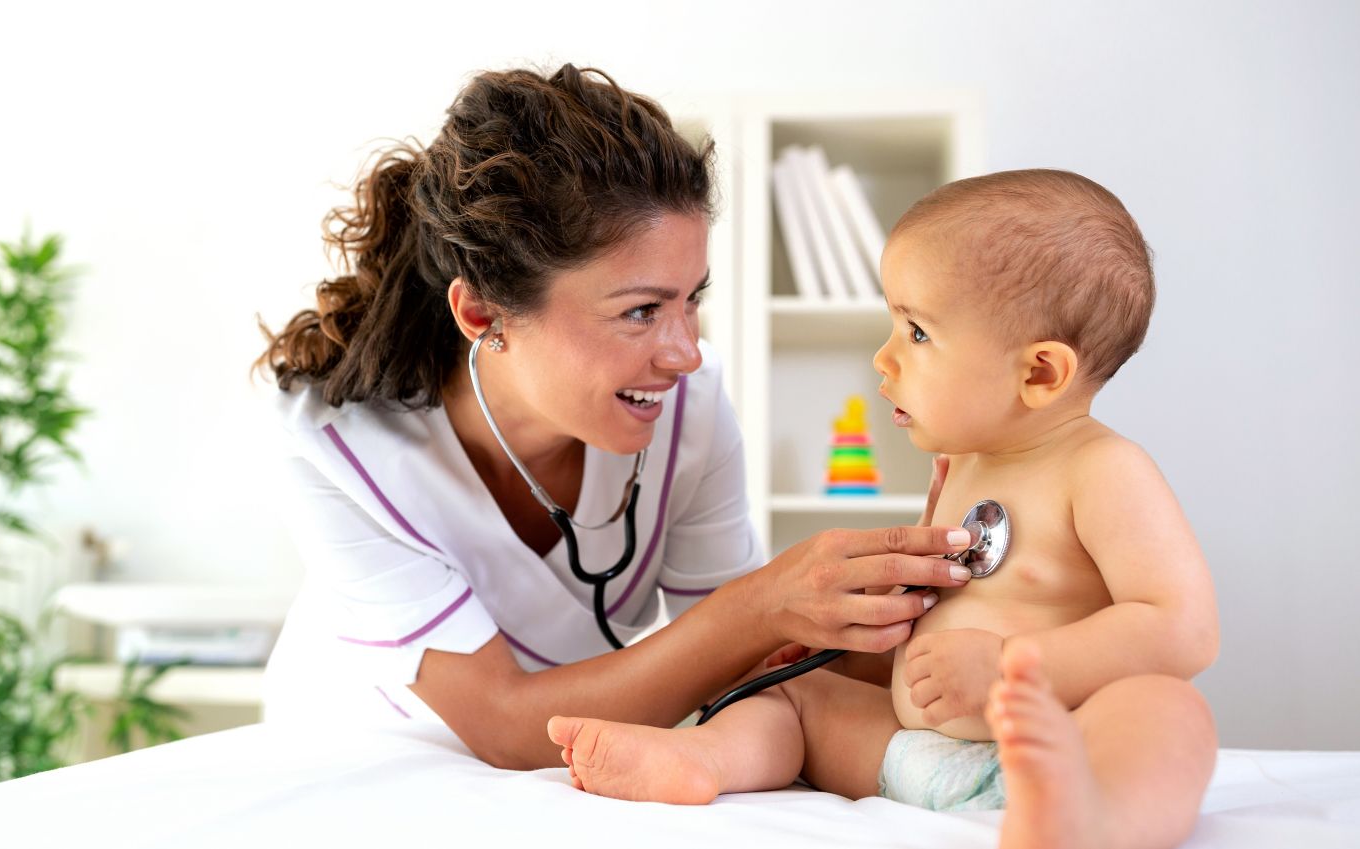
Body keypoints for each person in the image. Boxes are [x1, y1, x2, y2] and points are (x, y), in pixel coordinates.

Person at [254, 64, 977, 769]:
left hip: (570, 751)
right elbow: (505, 723)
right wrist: (762, 603)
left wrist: (898, 615)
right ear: (482, 312)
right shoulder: (336, 446)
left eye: (690, 298)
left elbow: (745, 667)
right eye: (641, 310)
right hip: (365, 754)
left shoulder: (688, 404)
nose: (686, 353)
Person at [547, 169, 1221, 849]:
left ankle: (1095, 822)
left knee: (1165, 709)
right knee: (781, 693)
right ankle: (699, 759)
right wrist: (849, 648)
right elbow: (939, 616)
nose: (885, 356)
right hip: (905, 751)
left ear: (1039, 373)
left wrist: (1013, 662)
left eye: (918, 333)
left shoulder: (1102, 470)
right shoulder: (961, 465)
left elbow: (1182, 629)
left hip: (1060, 751)